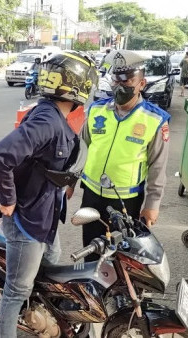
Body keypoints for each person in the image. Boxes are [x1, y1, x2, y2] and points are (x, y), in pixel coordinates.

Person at [0, 50, 98, 337]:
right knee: (16, 289)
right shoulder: (47, 119)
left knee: (50, 261)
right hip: (28, 218)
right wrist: (8, 198)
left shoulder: (53, 114)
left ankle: (39, 310)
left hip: (45, 212)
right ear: (76, 85)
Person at [71, 49, 170, 262]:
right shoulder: (97, 110)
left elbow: (158, 167)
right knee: (91, 248)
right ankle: (93, 290)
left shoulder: (154, 119)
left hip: (125, 201)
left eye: (126, 81)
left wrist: (152, 204)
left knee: (121, 253)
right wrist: (70, 180)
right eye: (115, 80)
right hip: (91, 194)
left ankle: (118, 294)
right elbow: (81, 148)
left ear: (141, 84)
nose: (119, 86)